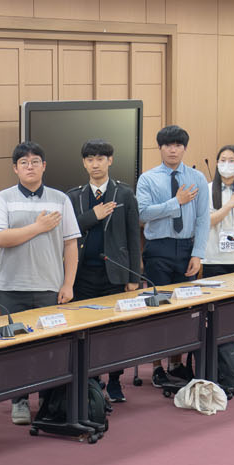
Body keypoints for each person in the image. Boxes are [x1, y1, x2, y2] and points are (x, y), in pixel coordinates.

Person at [0, 141, 80, 424]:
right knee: (16, 349)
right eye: (24, 162)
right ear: (15, 168)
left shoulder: (60, 199)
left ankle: (48, 401)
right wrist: (38, 227)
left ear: (44, 166)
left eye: (35, 161)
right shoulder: (2, 198)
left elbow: (71, 244)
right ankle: (19, 401)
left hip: (49, 287)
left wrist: (68, 284)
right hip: (11, 287)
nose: (30, 167)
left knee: (49, 348)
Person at [67, 138, 141, 402]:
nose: (95, 164)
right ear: (84, 163)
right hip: (83, 276)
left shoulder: (124, 194)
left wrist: (133, 277)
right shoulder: (74, 196)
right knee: (86, 331)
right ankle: (92, 380)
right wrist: (93, 216)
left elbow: (133, 237)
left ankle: (115, 381)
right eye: (90, 159)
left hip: (115, 274)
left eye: (100, 159)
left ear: (110, 160)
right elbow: (68, 230)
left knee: (115, 332)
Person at [137, 125, 209, 384]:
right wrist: (175, 202)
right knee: (158, 308)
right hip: (158, 248)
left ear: (185, 148)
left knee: (182, 309)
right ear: (160, 148)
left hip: (187, 248)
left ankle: (176, 363)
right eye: (168, 145)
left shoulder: (197, 178)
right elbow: (142, 214)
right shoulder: (148, 179)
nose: (173, 150)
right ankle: (157, 366)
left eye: (178, 145)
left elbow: (203, 219)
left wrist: (198, 253)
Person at [199, 144, 234, 277]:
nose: (226, 164)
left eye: (231, 161)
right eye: (223, 160)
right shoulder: (207, 190)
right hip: (214, 259)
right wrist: (229, 205)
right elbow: (206, 222)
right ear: (217, 163)